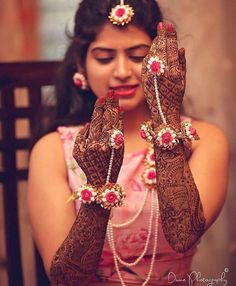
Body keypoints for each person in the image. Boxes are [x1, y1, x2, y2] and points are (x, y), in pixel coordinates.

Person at [27, 0, 229, 285]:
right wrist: (99, 188)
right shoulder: (53, 150)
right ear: (80, 65)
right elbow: (65, 279)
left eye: (138, 56)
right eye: (104, 58)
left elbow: (183, 235)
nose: (122, 71)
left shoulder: (202, 140)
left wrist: (166, 118)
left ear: (163, 60)